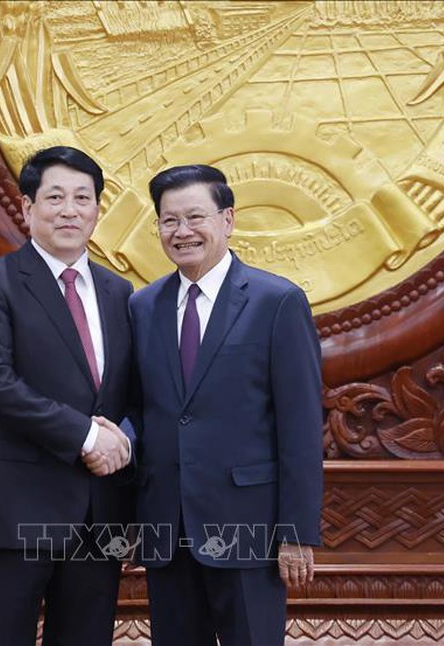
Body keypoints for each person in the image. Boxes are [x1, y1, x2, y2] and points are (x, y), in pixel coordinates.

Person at [129, 164, 323, 645]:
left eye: (195, 217)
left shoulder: (276, 301)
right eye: (169, 221)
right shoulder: (142, 307)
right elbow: (138, 412)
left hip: (249, 529)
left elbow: (300, 427)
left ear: (228, 219)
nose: (183, 232)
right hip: (167, 531)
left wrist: (296, 532)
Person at [0, 146, 134, 645]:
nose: (69, 210)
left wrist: (124, 441)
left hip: (97, 516)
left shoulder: (119, 293)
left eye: (82, 198)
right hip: (14, 510)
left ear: (97, 209)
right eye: (55, 197)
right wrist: (86, 436)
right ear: (28, 208)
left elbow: (133, 394)